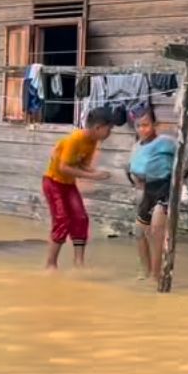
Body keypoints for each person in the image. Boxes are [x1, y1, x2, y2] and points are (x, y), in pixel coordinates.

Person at [41, 108, 113, 270]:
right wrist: (93, 176)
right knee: (62, 219)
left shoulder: (92, 142)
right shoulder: (75, 139)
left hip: (68, 183)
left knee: (81, 218)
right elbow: (64, 167)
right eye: (109, 129)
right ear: (98, 128)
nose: (110, 133)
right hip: (53, 182)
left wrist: (96, 172)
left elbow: (81, 165)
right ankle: (51, 264)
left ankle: (78, 262)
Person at [129, 108, 177, 279]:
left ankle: (157, 274)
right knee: (139, 231)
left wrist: (181, 176)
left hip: (164, 188)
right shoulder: (136, 147)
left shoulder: (165, 142)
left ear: (155, 125)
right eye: (139, 126)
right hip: (147, 190)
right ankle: (145, 270)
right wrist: (136, 182)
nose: (142, 129)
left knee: (157, 230)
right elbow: (133, 170)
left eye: (146, 125)